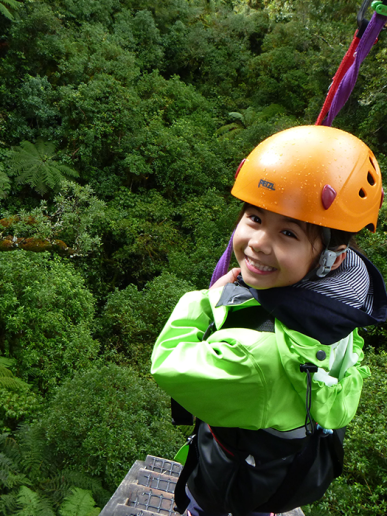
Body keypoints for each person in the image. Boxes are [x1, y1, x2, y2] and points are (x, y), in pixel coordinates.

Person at [151, 125, 387, 516]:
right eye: (255, 218)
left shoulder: (256, 357)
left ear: (331, 257)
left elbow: (167, 362)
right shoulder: (341, 310)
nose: (259, 243)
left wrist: (205, 302)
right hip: (279, 478)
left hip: (226, 492)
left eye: (289, 233)